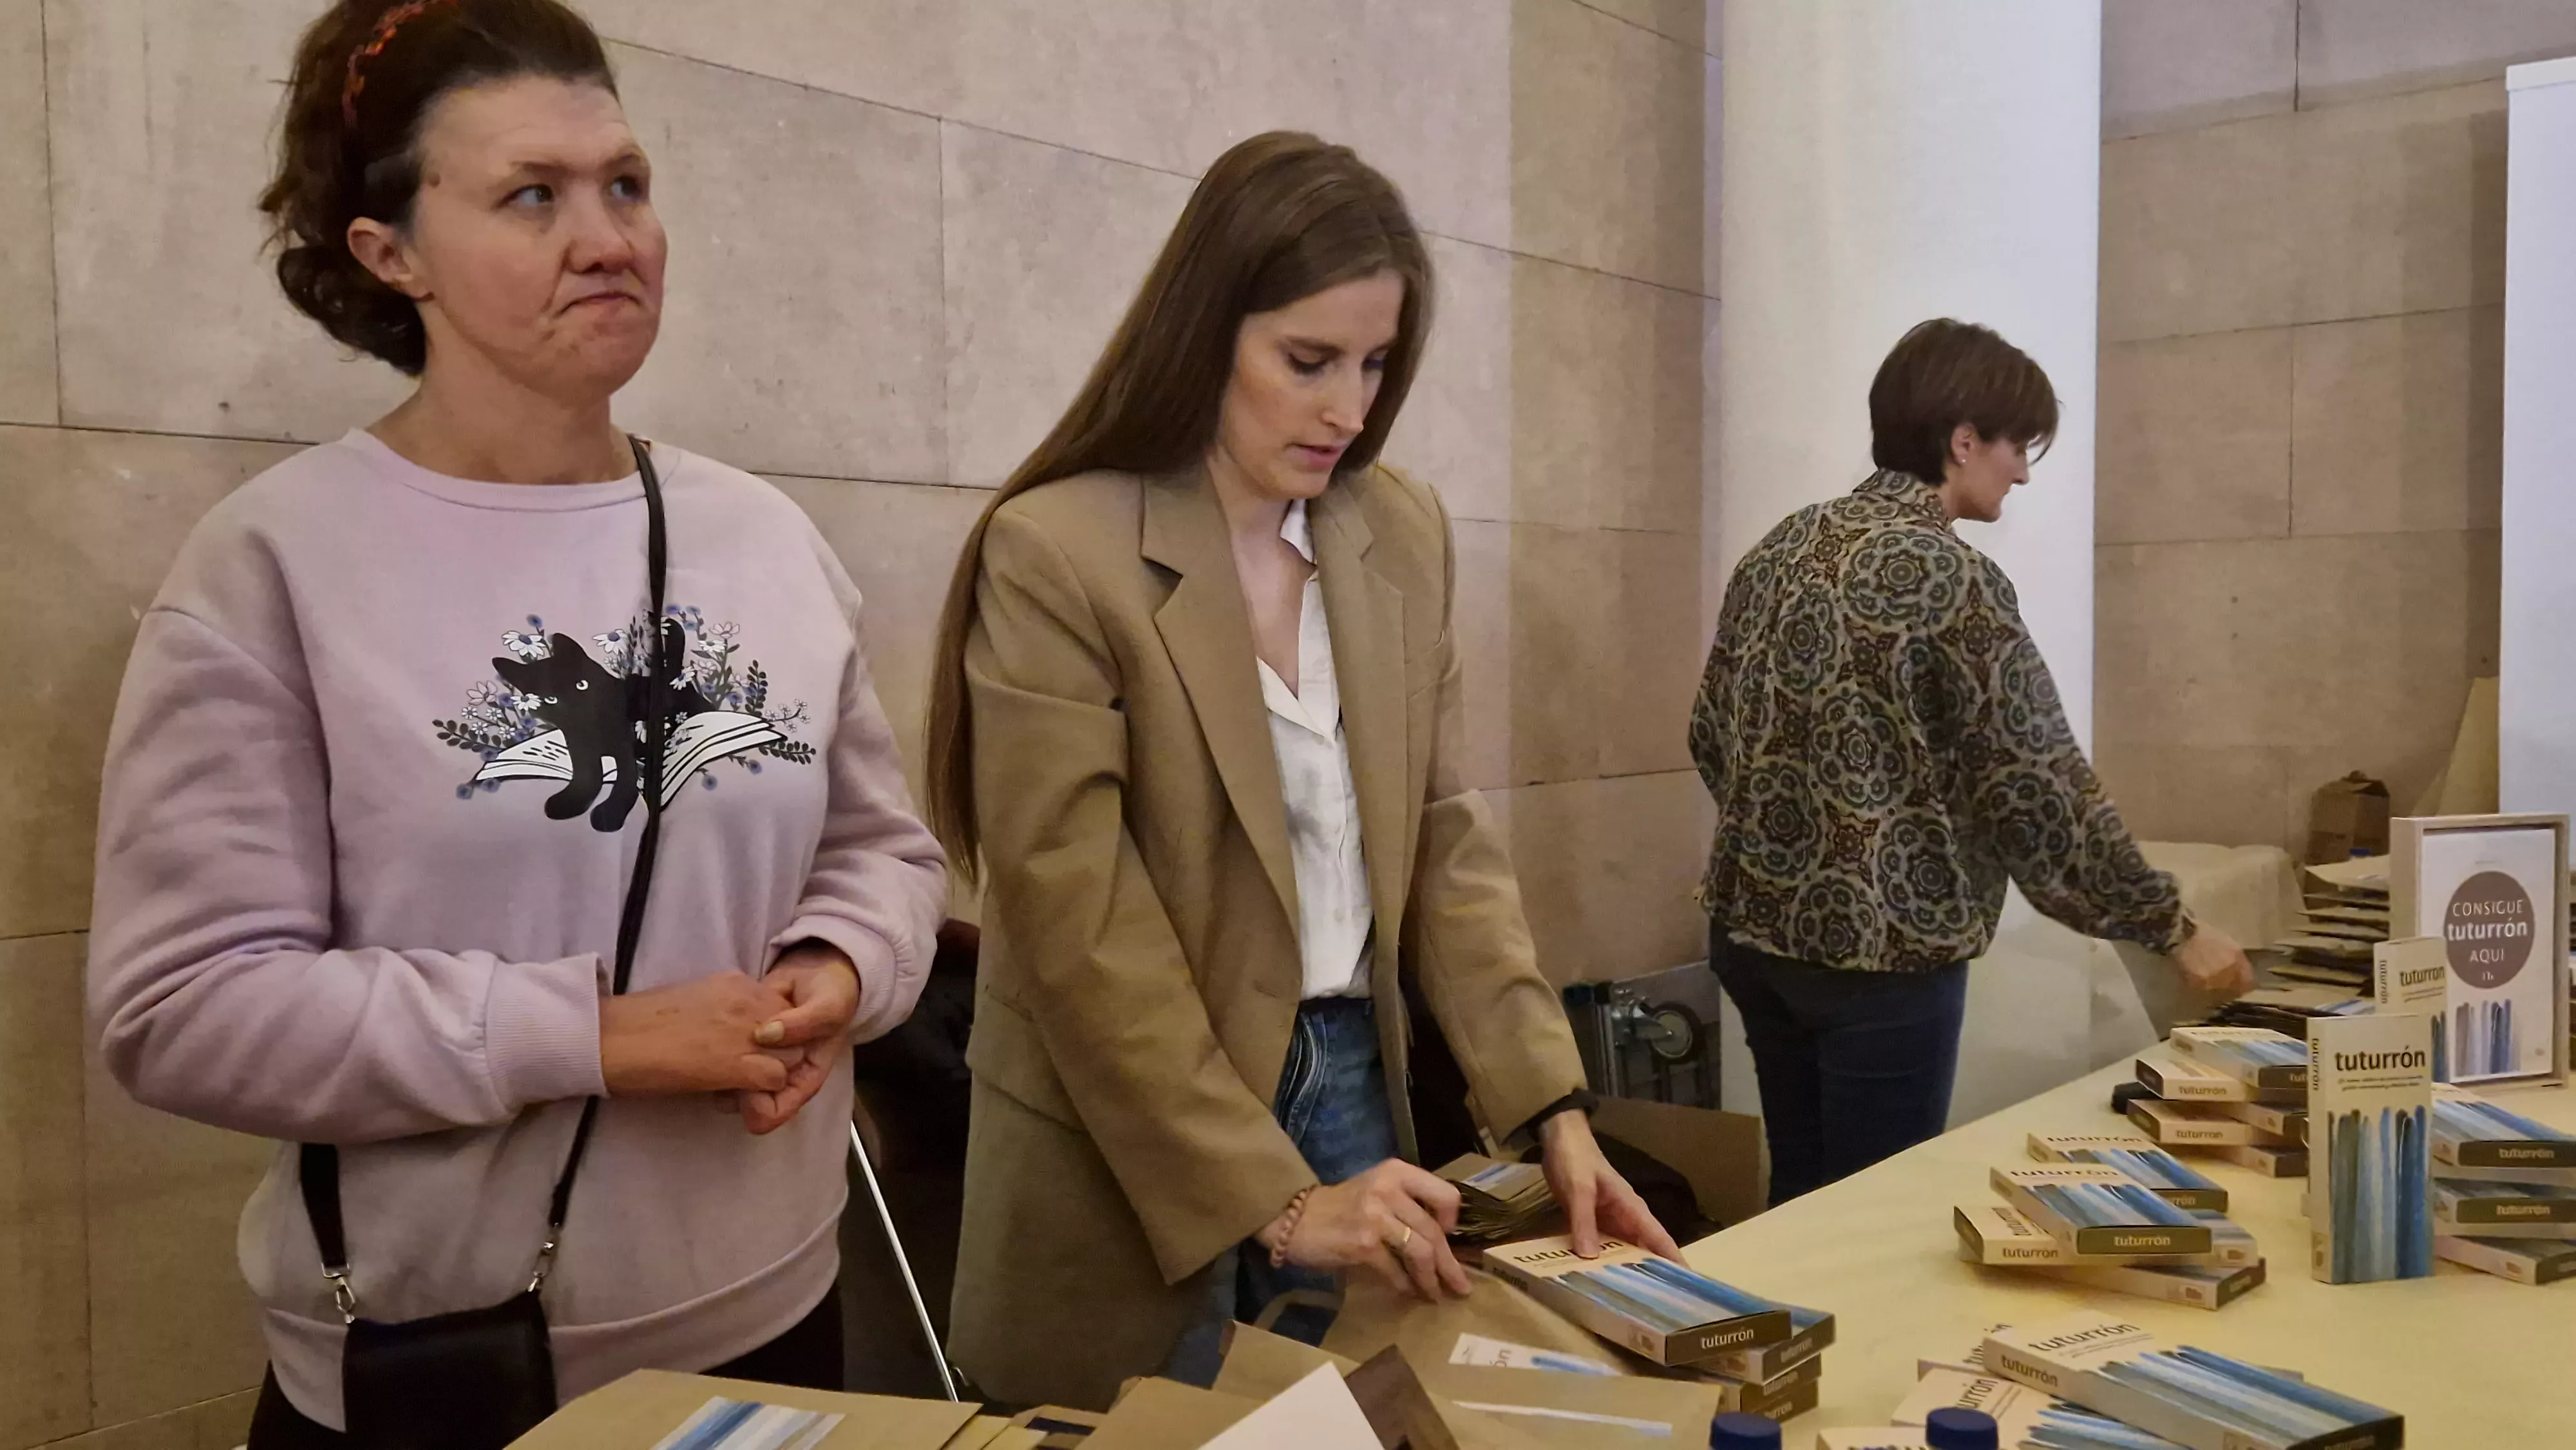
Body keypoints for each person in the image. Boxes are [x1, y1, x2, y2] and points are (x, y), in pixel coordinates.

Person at [84, 1, 947, 1442]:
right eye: (530, 196)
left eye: (626, 183)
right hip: (452, 1365)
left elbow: (886, 854)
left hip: (773, 1322)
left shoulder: (765, 538)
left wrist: (839, 966)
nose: (608, 235)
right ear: (390, 253)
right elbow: (182, 1009)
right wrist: (593, 1037)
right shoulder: (275, 565)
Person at [924, 131, 1683, 1410]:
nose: (1350, 409)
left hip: (1343, 1071)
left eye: (1377, 364)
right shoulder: (1057, 551)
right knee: (1144, 1418)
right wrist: (1270, 1197)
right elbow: (1079, 926)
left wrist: (1549, 1103)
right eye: (1307, 361)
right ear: (1205, 332)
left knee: (1344, 1416)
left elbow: (1444, 841)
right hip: (1129, 1109)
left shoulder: (1395, 529)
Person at [1689, 318, 2255, 1208]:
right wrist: (2171, 927)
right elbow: (2038, 789)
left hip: (1752, 936)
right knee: (1877, 1212)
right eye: (2016, 447)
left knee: (1800, 1198)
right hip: (1880, 964)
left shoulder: (1782, 548)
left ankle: (1794, 1342)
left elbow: (1711, 733)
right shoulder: (1951, 579)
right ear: (1962, 442)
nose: (2023, 472)